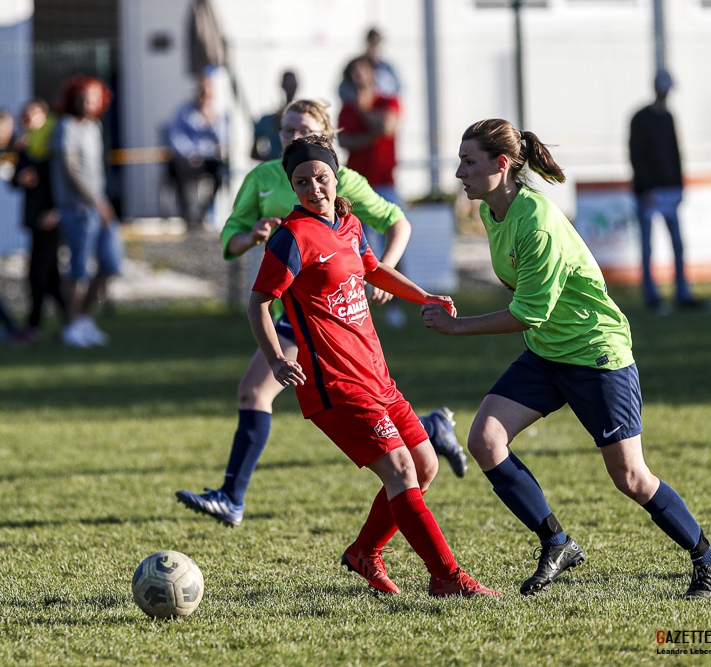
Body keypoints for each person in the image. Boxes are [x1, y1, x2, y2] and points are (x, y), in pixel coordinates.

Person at [422, 119, 711, 599]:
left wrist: (456, 326)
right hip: (548, 352)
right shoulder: (492, 212)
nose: (459, 173)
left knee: (630, 477)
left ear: (501, 164)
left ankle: (708, 557)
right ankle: (557, 543)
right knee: (485, 440)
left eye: (468, 161)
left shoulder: (536, 222)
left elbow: (528, 312)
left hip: (595, 354)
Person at [175, 99, 467, 529]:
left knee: (295, 397)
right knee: (265, 394)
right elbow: (229, 241)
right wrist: (251, 235)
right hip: (290, 310)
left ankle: (233, 498)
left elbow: (397, 222)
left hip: (330, 314)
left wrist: (379, 273)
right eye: (286, 129)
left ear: (325, 139)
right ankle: (428, 429)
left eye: (303, 129)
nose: (292, 137)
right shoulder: (262, 177)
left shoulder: (343, 179)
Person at [248, 133, 496, 597]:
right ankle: (447, 577)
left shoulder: (349, 224)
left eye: (320, 177)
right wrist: (277, 359)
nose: (313, 188)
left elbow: (373, 270)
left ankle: (364, 552)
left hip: (376, 376)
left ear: (335, 176)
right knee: (401, 470)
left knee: (424, 465)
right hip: (335, 385)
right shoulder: (291, 238)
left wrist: (423, 296)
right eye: (301, 182)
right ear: (292, 186)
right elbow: (259, 302)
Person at [50, 75, 120, 348]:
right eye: (82, 96)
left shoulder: (95, 127)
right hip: (78, 208)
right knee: (79, 269)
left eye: (92, 97)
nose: (87, 102)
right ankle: (72, 324)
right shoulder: (65, 126)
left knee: (111, 264)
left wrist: (101, 202)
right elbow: (71, 169)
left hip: (99, 206)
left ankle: (83, 319)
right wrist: (96, 202)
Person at [338, 57, 405, 327]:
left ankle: (395, 302)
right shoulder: (346, 109)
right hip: (356, 185)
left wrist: (363, 110)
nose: (357, 77)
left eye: (361, 71)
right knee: (354, 244)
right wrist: (372, 135)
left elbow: (386, 126)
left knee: (395, 241)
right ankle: (358, 305)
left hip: (385, 183)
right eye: (353, 72)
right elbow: (344, 140)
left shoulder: (388, 101)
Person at [628, 70, 703, 313]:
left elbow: (674, 152)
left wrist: (680, 184)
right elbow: (636, 155)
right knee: (647, 247)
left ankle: (682, 294)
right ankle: (651, 297)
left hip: (670, 191)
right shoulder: (640, 118)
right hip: (649, 193)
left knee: (678, 245)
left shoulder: (669, 117)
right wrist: (645, 188)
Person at [11, 99, 66, 344]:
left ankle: (35, 325)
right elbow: (13, 179)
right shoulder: (25, 145)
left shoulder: (54, 142)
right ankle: (73, 320)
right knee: (50, 275)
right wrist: (21, 178)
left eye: (34, 114)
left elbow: (60, 180)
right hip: (35, 216)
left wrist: (56, 210)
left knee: (39, 273)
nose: (29, 119)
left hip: (50, 216)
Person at [163, 74, 228, 230]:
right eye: (201, 91)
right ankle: (188, 213)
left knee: (221, 172)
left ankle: (203, 211)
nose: (203, 95)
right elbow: (175, 137)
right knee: (177, 171)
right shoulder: (184, 112)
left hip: (209, 159)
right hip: (187, 158)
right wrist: (191, 153)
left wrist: (212, 121)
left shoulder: (218, 115)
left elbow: (224, 140)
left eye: (207, 92)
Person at [338, 28, 401, 102]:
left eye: (376, 43)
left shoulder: (386, 68)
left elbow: (397, 89)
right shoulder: (355, 65)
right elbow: (342, 91)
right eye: (372, 42)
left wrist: (376, 96)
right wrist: (359, 97)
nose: (374, 47)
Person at [251, 71, 298, 162]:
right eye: (288, 84)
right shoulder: (266, 121)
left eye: (292, 85)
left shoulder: (305, 121)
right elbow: (254, 153)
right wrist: (274, 162)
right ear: (282, 85)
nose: (290, 87)